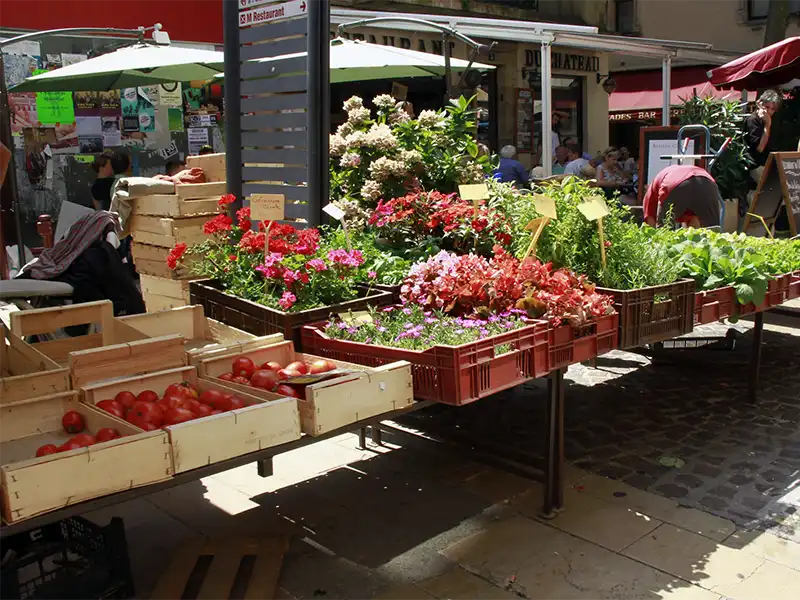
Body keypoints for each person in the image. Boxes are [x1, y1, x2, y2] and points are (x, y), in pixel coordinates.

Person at [643, 164, 721, 229]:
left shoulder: (649, 194)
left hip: (674, 183)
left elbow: (651, 225)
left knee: (663, 230)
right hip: (707, 182)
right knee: (712, 231)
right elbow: (693, 224)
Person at [744, 89, 781, 184]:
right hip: (756, 165)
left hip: (770, 164)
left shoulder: (772, 119)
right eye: (767, 107)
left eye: (772, 109)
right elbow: (760, 148)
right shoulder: (753, 120)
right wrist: (767, 126)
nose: (769, 111)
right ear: (760, 104)